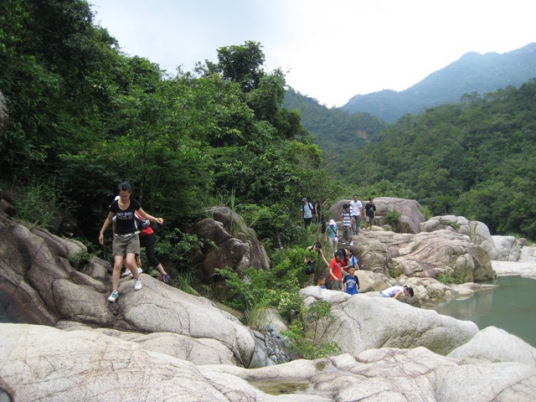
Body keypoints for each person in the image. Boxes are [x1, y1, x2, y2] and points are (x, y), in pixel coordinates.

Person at [98, 182, 162, 302]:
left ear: (130, 193)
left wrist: (155, 219)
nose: (124, 198)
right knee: (117, 264)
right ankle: (114, 291)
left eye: (126, 196)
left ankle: (137, 279)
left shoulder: (134, 203)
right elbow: (109, 218)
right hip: (119, 237)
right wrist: (101, 232)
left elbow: (144, 214)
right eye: (121, 196)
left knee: (129, 260)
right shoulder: (115, 205)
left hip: (132, 236)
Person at [135, 211, 170, 282]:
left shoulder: (135, 211)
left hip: (149, 235)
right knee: (132, 251)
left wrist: (155, 219)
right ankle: (135, 269)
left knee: (150, 256)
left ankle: (164, 274)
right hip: (139, 236)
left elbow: (146, 216)